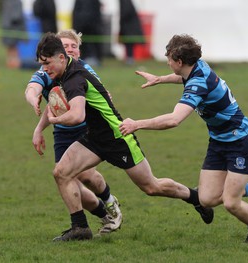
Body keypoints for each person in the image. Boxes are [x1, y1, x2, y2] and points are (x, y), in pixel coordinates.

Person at [35, 32, 214, 242]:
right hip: (95, 138)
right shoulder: (65, 72)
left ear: (61, 58)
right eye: (41, 64)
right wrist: (40, 128)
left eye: (47, 63)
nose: (45, 68)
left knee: (151, 187)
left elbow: (77, 115)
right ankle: (80, 227)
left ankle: (195, 198)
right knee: (61, 172)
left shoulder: (75, 78)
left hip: (118, 137)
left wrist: (54, 120)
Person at [119, 34, 248, 243]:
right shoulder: (197, 67)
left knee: (231, 202)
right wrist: (160, 79)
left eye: (169, 59)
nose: (167, 62)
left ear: (179, 62)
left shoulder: (198, 84)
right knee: (206, 198)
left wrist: (136, 124)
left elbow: (174, 119)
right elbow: (183, 78)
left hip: (241, 141)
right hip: (219, 141)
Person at [25, 29, 122, 235]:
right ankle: (102, 216)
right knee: (71, 184)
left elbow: (106, 95)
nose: (70, 50)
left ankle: (109, 200)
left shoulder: (84, 70)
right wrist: (34, 100)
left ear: (78, 50)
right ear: (58, 52)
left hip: (86, 130)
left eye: (74, 47)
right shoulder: (48, 70)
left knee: (86, 175)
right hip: (62, 134)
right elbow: (32, 87)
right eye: (66, 46)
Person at [72, 0, 104, 66]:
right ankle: (82, 60)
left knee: (94, 43)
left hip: (91, 26)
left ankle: (96, 60)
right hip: (83, 26)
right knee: (82, 43)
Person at [0, 0, 26, 68]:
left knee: (11, 47)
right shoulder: (16, 2)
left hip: (7, 27)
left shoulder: (7, 2)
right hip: (13, 28)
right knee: (13, 47)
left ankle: (12, 63)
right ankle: (13, 63)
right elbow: (16, 16)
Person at [119, 0, 145, 65]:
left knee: (129, 43)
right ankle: (129, 59)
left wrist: (121, 21)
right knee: (129, 43)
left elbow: (125, 13)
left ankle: (130, 59)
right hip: (129, 26)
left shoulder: (124, 2)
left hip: (129, 27)